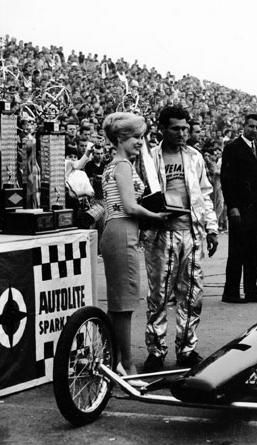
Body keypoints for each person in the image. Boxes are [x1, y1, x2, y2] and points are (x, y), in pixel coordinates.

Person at [141, 106, 219, 372]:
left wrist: (211, 228)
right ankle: (156, 351)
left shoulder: (195, 157)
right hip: (162, 234)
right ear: (163, 129)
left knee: (192, 295)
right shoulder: (149, 158)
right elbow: (140, 193)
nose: (182, 133)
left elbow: (205, 195)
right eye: (176, 128)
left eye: (186, 128)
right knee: (159, 295)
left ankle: (186, 349)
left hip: (192, 233)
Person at [100, 112, 169, 379]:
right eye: (136, 137)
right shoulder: (125, 166)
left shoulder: (112, 165)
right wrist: (156, 216)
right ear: (120, 138)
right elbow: (129, 206)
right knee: (125, 304)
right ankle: (126, 365)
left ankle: (113, 360)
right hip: (123, 231)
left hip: (114, 230)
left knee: (118, 304)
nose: (141, 142)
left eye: (142, 137)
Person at [220, 114, 257, 303]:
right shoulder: (233, 147)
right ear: (244, 126)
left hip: (256, 209)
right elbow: (227, 179)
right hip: (240, 208)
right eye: (251, 127)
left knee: (254, 251)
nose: (254, 130)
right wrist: (232, 206)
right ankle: (231, 292)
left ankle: (251, 290)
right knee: (237, 251)